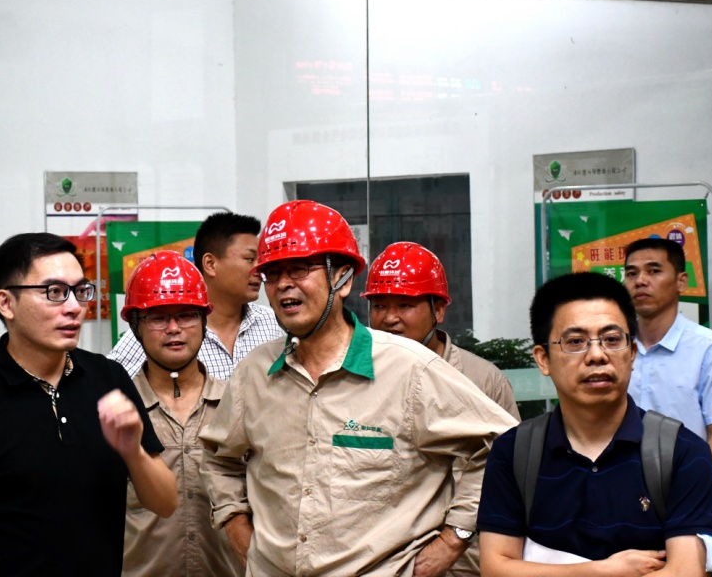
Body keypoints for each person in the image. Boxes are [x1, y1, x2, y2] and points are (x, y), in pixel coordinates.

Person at [200, 200, 517, 576]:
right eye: (272, 273)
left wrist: (454, 538)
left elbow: (505, 447)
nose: (283, 283)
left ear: (343, 279)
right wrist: (237, 528)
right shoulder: (254, 374)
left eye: (300, 269)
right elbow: (218, 459)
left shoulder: (408, 369)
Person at [0, 232, 177, 577]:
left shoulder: (108, 378)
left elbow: (165, 503)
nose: (74, 307)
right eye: (54, 292)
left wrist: (133, 452)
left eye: (80, 290)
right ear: (6, 303)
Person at [478, 271, 712, 576]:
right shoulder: (515, 452)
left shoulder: (681, 452)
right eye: (575, 342)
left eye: (612, 340)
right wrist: (603, 571)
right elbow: (495, 568)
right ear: (543, 359)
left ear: (632, 354)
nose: (597, 355)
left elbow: (685, 572)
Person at [363, 240, 519, 576]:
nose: (389, 318)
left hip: (468, 561)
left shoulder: (482, 380)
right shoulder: (357, 380)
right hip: (384, 561)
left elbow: (511, 473)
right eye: (378, 305)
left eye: (405, 305)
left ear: (439, 310)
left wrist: (455, 539)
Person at [119, 250, 243, 577]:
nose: (174, 329)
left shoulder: (239, 404)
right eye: (158, 318)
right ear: (136, 326)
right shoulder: (118, 413)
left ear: (204, 321)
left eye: (187, 316)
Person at [623, 236, 712, 528]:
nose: (640, 281)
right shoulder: (615, 349)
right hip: (624, 511)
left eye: (654, 271)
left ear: (681, 281)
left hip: (693, 513)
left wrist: (688, 504)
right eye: (631, 273)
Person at [110, 212, 283, 380]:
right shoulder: (155, 332)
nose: (258, 269)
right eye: (250, 259)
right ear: (210, 264)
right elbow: (109, 384)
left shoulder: (273, 323)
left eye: (260, 261)